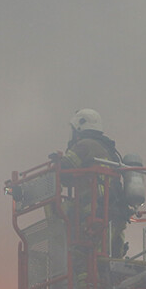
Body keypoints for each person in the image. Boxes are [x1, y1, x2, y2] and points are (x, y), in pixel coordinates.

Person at [57, 109, 128, 258]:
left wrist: (55, 165)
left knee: (61, 209)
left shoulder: (84, 145)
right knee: (110, 261)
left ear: (79, 127)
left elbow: (64, 169)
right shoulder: (110, 151)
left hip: (95, 214)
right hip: (116, 216)